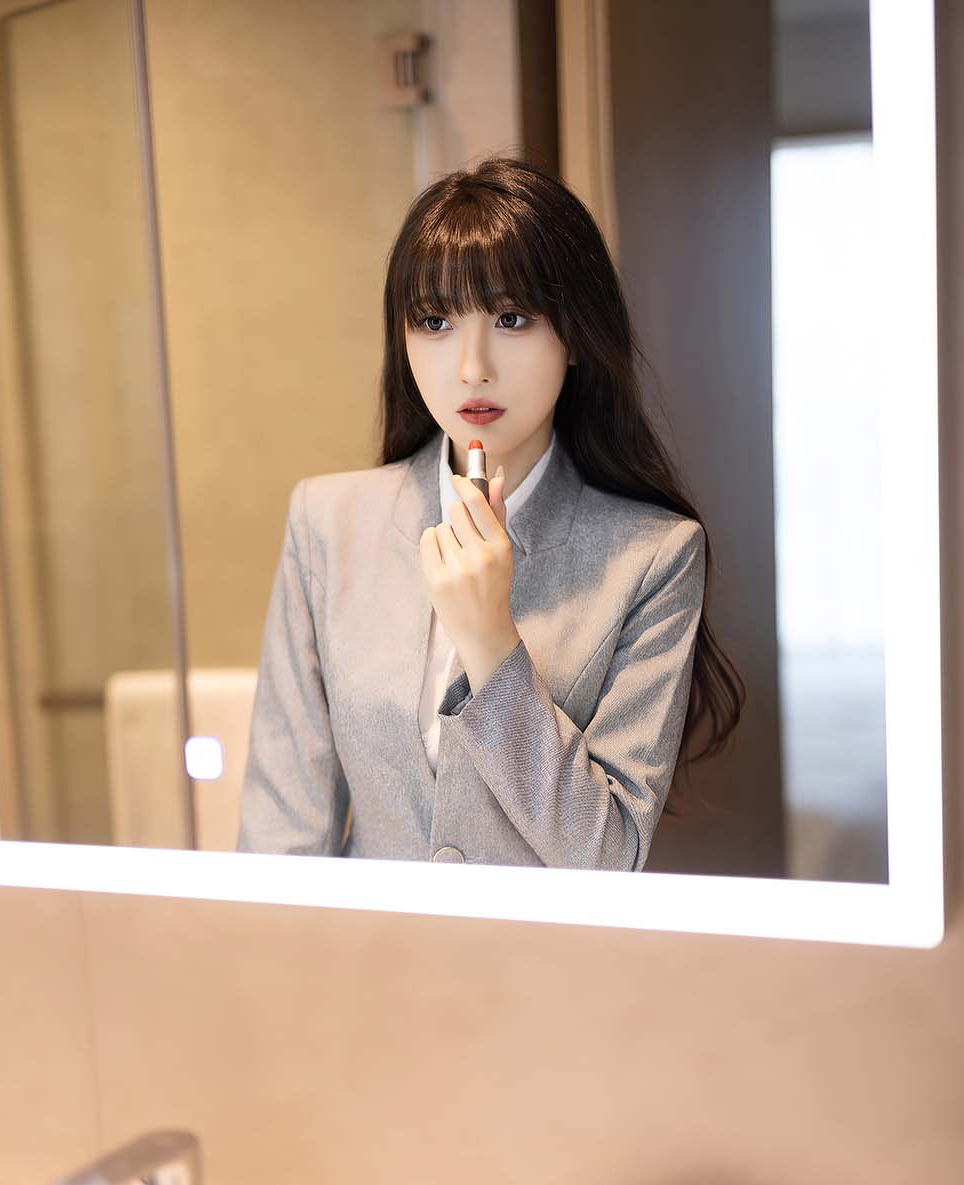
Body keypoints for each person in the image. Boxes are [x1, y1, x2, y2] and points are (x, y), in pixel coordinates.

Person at [236, 156, 743, 870]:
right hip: (367, 943)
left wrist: (491, 642)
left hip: (541, 947)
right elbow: (281, 838)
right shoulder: (327, 524)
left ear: (576, 336)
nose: (472, 366)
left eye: (511, 318)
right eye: (435, 320)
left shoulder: (653, 556)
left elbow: (609, 858)